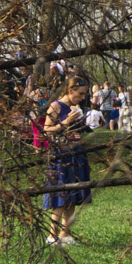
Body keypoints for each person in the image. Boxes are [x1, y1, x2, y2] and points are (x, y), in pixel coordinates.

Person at [40, 85, 92, 245]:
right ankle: (52, 236)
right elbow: (47, 130)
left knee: (73, 195)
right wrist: (66, 121)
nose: (83, 98)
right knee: (61, 196)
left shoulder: (75, 107)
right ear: (70, 91)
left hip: (77, 154)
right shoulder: (56, 106)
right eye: (80, 93)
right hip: (61, 156)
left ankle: (65, 234)